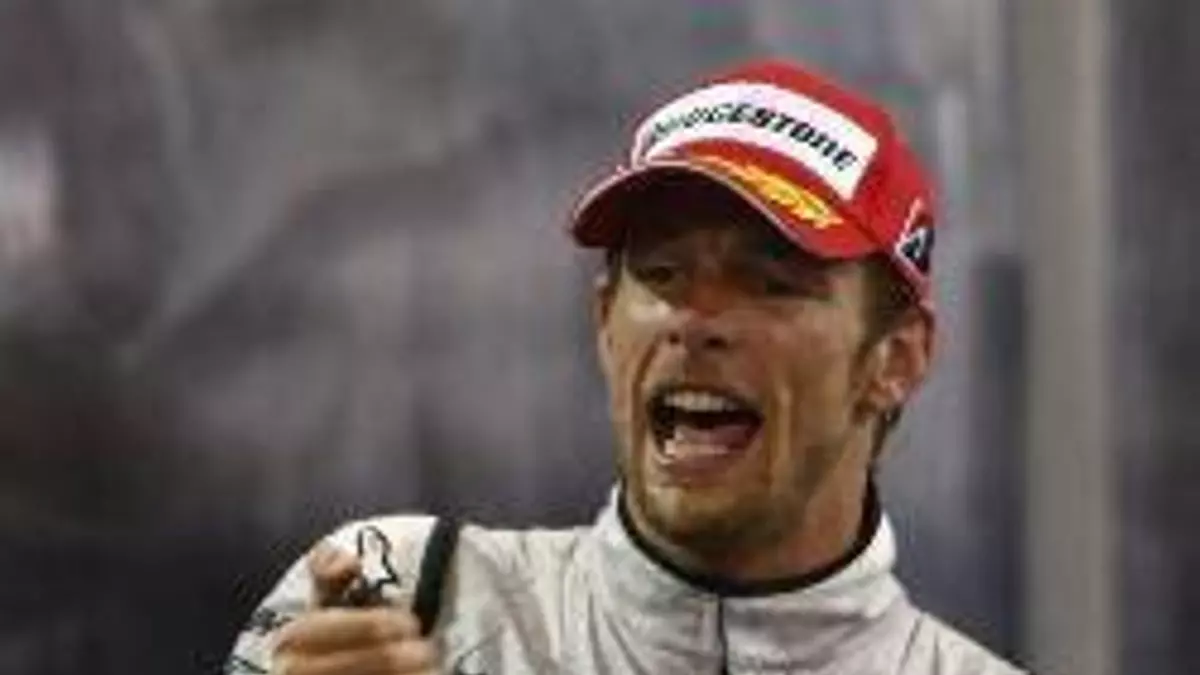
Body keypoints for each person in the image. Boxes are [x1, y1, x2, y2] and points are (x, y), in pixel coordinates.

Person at [226, 59, 1024, 675]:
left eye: (769, 281)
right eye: (662, 272)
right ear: (605, 322)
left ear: (896, 357)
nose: (694, 319)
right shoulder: (399, 593)